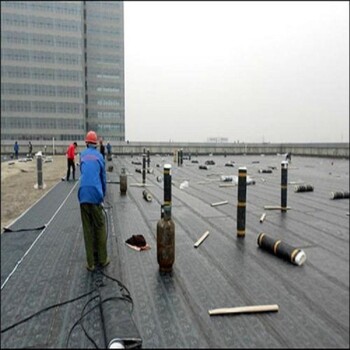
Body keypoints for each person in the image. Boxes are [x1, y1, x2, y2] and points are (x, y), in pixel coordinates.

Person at [78, 131, 109, 272]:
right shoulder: (100, 156)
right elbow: (103, 177)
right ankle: (102, 259)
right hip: (95, 194)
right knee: (100, 225)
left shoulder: (82, 155)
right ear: (96, 144)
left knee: (87, 229)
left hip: (83, 195)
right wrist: (102, 195)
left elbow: (83, 173)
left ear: (86, 142)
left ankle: (90, 262)